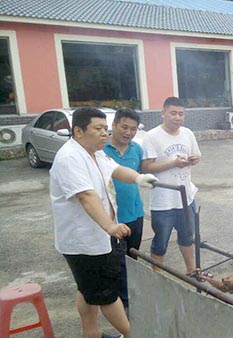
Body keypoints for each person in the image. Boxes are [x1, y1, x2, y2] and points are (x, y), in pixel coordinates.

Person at [50, 107, 157, 338]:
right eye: (98, 129)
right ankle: (133, 334)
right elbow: (86, 196)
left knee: (86, 287)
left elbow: (117, 170)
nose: (104, 134)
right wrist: (110, 226)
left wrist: (138, 177)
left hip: (97, 238)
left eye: (105, 129)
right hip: (84, 241)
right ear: (78, 131)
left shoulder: (94, 152)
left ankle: (90, 333)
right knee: (107, 294)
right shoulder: (70, 157)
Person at [142, 97, 201, 275]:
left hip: (186, 197)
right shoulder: (152, 136)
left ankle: (191, 271)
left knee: (187, 237)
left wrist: (194, 159)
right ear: (163, 113)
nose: (177, 117)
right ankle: (156, 276)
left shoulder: (187, 133)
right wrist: (173, 163)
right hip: (163, 200)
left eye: (181, 114)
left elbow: (197, 156)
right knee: (161, 241)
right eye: (173, 113)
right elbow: (146, 167)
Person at [103, 108, 144, 313]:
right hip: (114, 218)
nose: (128, 132)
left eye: (133, 129)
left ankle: (131, 295)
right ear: (114, 125)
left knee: (132, 256)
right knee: (116, 261)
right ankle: (122, 302)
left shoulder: (136, 149)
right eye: (124, 127)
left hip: (136, 213)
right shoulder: (101, 150)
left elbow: (140, 174)